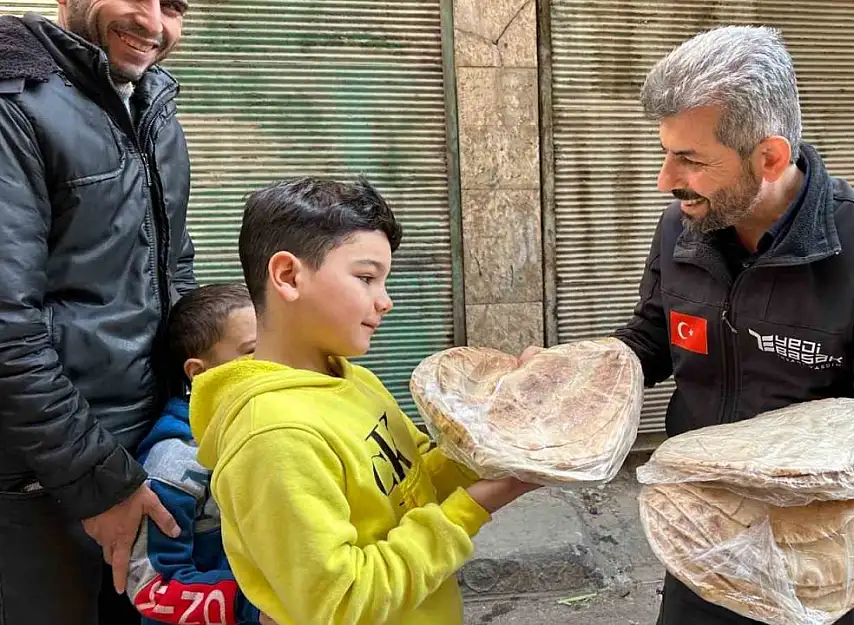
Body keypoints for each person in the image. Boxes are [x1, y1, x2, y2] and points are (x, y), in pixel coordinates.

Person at [524, 26, 854, 624]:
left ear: (771, 156)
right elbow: (652, 337)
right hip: (703, 540)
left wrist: (766, 476)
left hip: (831, 557)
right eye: (665, 153)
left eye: (691, 160)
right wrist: (575, 377)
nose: (666, 180)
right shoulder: (683, 227)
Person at [187, 177, 539, 625]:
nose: (385, 301)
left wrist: (504, 421)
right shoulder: (274, 438)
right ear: (288, 276)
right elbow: (342, 602)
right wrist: (475, 506)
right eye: (366, 277)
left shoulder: (353, 380)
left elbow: (416, 482)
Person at [0, 1, 195, 623]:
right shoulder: (13, 104)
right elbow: (7, 325)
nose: (154, 23)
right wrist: (97, 481)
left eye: (174, 6)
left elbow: (174, 270)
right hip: (46, 482)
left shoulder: (152, 103)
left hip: (144, 454)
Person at [126, 283, 273, 625]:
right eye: (253, 351)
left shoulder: (266, 427)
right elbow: (152, 587)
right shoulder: (175, 464)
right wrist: (254, 607)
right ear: (199, 372)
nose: (274, 364)